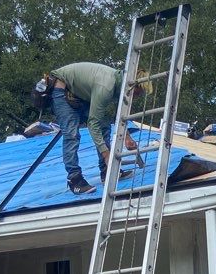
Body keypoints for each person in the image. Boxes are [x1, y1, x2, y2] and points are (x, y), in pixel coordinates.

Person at [47, 62, 150, 194]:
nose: (135, 97)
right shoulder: (106, 87)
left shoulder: (121, 87)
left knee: (105, 125)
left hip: (79, 93)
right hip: (61, 87)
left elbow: (119, 115)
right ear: (132, 86)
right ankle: (74, 179)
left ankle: (106, 171)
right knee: (71, 134)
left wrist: (127, 137)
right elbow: (93, 123)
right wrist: (106, 154)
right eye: (137, 93)